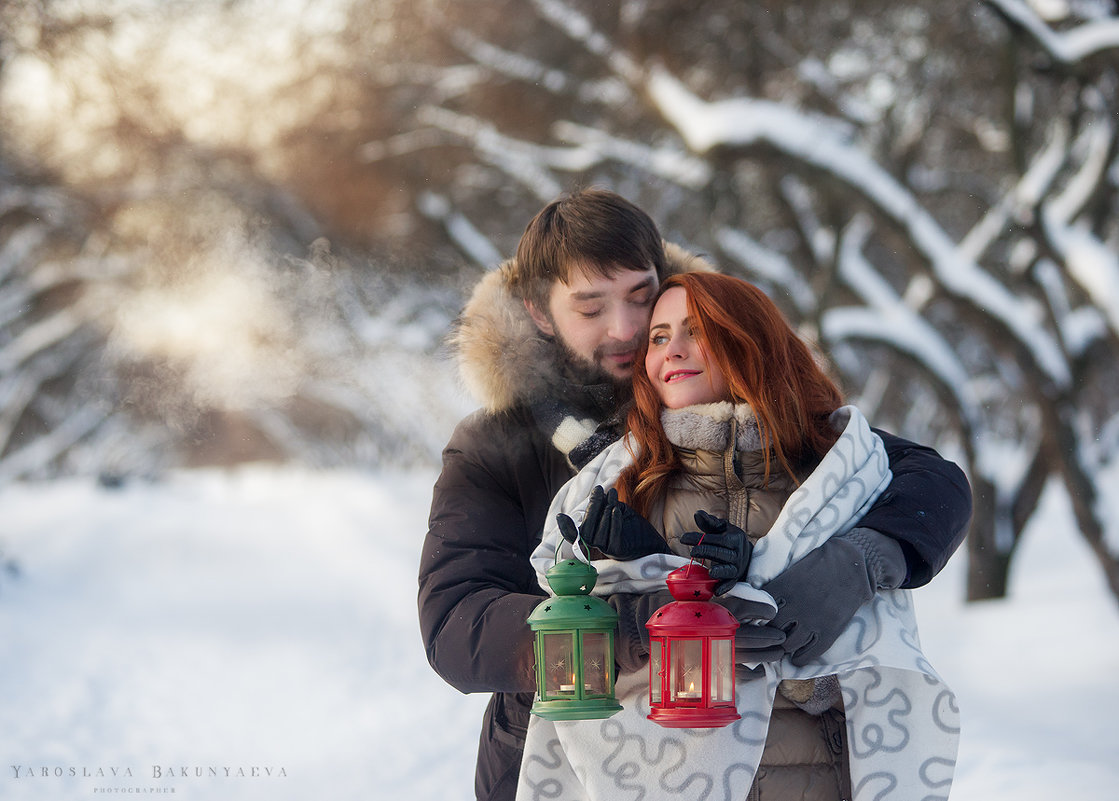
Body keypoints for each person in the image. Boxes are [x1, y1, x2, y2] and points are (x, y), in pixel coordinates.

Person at [417, 188, 971, 801]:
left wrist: (862, 559)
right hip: (568, 758)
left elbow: (927, 480)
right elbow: (456, 622)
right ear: (540, 313)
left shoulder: (729, 402)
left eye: (638, 296)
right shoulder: (500, 443)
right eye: (590, 307)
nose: (625, 328)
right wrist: (634, 621)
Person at [520, 271, 958, 801]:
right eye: (658, 337)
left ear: (749, 341)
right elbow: (580, 676)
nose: (672, 350)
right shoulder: (623, 486)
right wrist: (647, 572)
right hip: (656, 778)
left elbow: (867, 675)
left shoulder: (834, 477)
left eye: (696, 330)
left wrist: (780, 623)